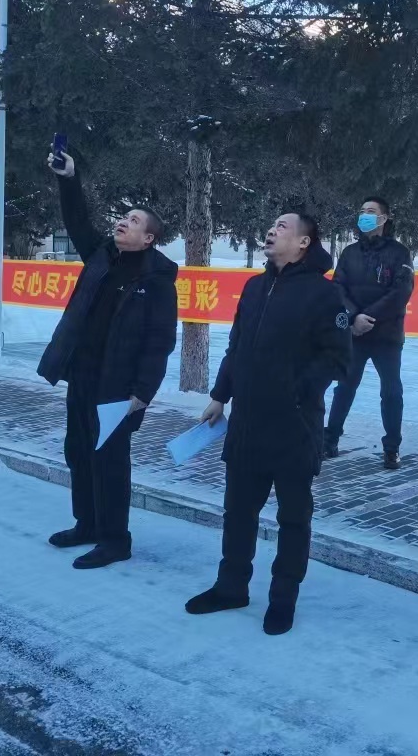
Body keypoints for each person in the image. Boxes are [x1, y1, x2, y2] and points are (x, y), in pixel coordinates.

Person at [186, 212, 351, 635]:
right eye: (272, 225)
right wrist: (220, 395)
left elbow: (337, 358)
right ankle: (231, 588)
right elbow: (236, 345)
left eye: (282, 227)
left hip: (295, 426)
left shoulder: (324, 294)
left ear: (303, 243)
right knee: (237, 512)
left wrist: (295, 391)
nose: (272, 230)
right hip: (247, 423)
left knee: (293, 519)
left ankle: (283, 599)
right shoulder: (254, 287)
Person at [37, 148, 178, 570]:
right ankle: (88, 524)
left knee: (110, 461)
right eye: (123, 217)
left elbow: (160, 342)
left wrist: (142, 394)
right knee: (79, 451)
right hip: (83, 375)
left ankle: (116, 539)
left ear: (149, 238)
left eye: (134, 220)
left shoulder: (156, 280)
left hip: (119, 388)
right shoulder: (101, 255)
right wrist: (69, 178)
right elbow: (77, 220)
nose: (123, 221)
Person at [324, 197, 415, 469]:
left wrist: (369, 317)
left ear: (384, 218)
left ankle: (392, 448)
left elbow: (401, 292)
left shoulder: (400, 253)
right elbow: (338, 287)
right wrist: (354, 317)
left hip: (387, 336)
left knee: (391, 392)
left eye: (371, 211)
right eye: (362, 211)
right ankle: (329, 441)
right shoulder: (350, 253)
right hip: (355, 334)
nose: (365, 215)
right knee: (344, 388)